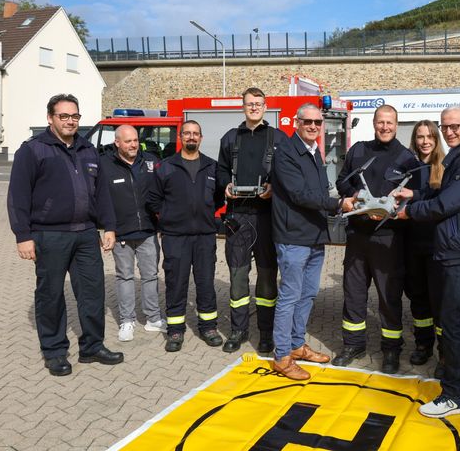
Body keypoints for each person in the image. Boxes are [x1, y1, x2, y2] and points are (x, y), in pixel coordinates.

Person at [8, 93, 123, 376]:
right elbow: (18, 196)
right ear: (50, 118)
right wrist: (23, 235)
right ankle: (55, 351)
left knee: (93, 292)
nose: (70, 121)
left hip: (86, 234)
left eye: (75, 116)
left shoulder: (88, 150)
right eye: (64, 116)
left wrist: (109, 226)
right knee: (51, 295)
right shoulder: (33, 150)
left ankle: (92, 346)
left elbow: (102, 193)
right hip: (50, 235)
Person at [396, 106, 460, 418]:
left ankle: (453, 395)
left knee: (452, 325)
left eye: (455, 126)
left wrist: (410, 211)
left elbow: (448, 202)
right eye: (445, 127)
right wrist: (416, 196)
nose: (449, 132)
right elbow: (444, 194)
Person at [332, 104, 420, 374]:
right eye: (381, 122)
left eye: (389, 122)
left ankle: (391, 350)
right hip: (358, 235)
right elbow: (342, 182)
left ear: (396, 125)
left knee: (388, 297)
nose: (385, 127)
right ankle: (353, 345)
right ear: (374, 123)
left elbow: (415, 195)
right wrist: (357, 197)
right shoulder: (358, 150)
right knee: (354, 294)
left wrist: (392, 208)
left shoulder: (407, 158)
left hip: (389, 239)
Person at [270, 103, 355, 380]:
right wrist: (338, 204)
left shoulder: (314, 151)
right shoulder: (286, 152)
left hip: (315, 235)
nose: (313, 126)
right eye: (308, 122)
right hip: (293, 236)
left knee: (307, 294)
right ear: (297, 122)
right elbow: (299, 194)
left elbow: (319, 190)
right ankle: (282, 356)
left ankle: (297, 345)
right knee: (290, 296)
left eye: (318, 122)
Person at [217, 87, 288, 354]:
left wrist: (274, 188)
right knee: (237, 276)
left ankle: (266, 333)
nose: (254, 107)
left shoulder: (278, 138)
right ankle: (238, 331)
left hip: (267, 218)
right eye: (250, 104)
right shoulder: (230, 138)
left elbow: (287, 173)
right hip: (237, 217)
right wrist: (225, 185)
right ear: (243, 107)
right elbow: (221, 169)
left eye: (258, 103)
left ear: (265, 107)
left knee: (267, 276)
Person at [147, 120, 225, 352]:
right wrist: (169, 218)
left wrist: (204, 214)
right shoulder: (165, 166)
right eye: (187, 133)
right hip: (175, 236)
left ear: (201, 138)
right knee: (176, 283)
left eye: (195, 134)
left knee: (206, 283)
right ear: (180, 137)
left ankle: (208, 327)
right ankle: (175, 330)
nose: (191, 137)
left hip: (205, 236)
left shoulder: (212, 167)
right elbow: (153, 199)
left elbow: (218, 198)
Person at [102, 125, 165, 342]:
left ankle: (153, 318)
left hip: (148, 231)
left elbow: (162, 191)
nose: (133, 145)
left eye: (136, 140)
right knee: (125, 277)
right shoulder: (105, 165)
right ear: (117, 142)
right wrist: (108, 228)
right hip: (121, 233)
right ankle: (127, 320)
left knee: (150, 276)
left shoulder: (150, 162)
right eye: (128, 141)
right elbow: (101, 200)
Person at [403, 120, 445, 371]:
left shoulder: (445, 166)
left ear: (436, 139)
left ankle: (445, 353)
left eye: (430, 136)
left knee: (439, 301)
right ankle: (423, 344)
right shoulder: (408, 167)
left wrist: (414, 197)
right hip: (412, 244)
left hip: (437, 245)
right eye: (420, 137)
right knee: (418, 298)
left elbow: (441, 201)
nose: (425, 141)